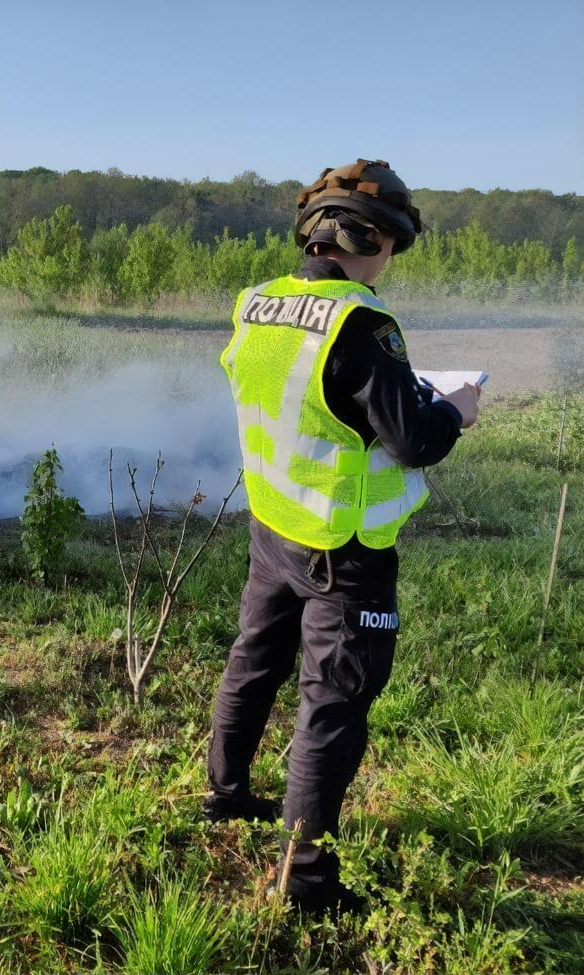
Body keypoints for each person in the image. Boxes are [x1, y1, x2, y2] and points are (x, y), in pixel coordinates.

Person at [203, 160, 481, 915]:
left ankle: (224, 793)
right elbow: (416, 440)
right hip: (343, 548)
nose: (388, 265)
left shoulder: (257, 305)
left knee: (253, 661)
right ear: (372, 238)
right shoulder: (362, 323)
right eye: (392, 247)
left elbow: (308, 400)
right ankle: (305, 881)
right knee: (333, 701)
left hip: (273, 525)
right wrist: (456, 407)